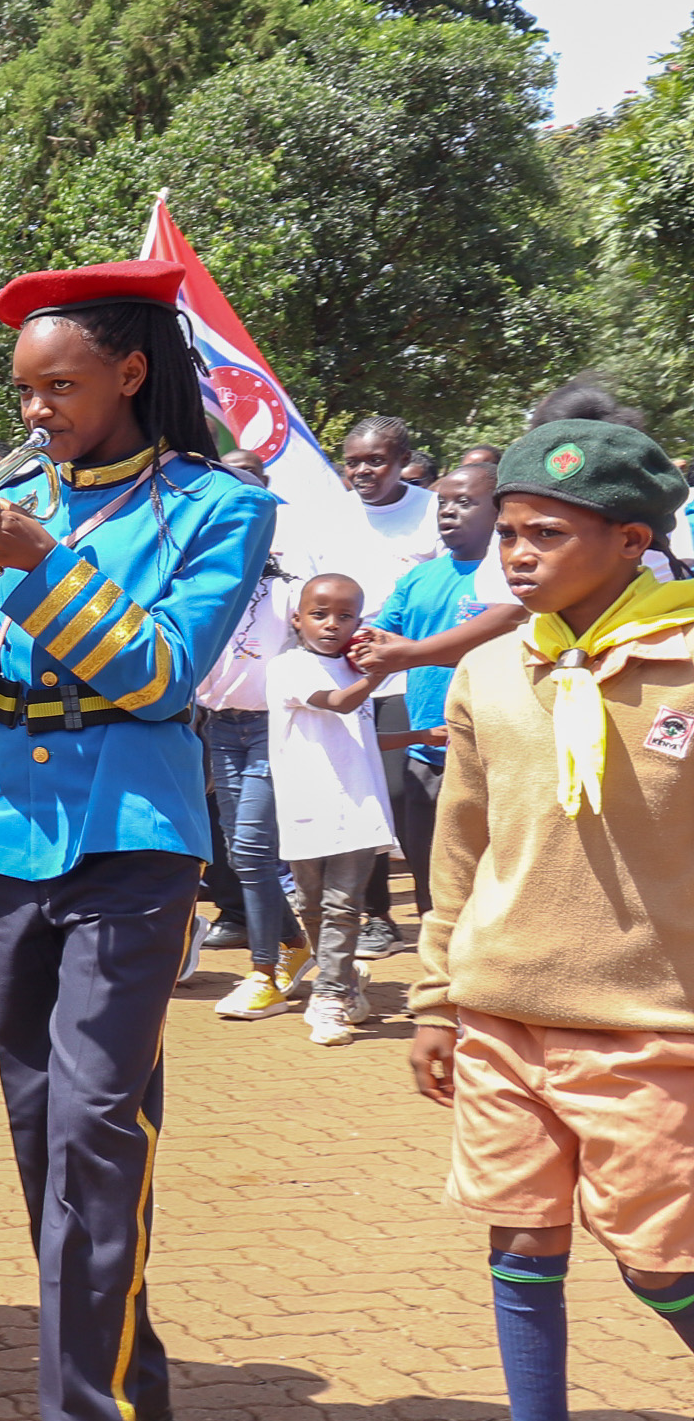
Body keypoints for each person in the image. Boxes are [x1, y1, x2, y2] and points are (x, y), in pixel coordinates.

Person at [0, 259, 276, 1421]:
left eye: (59, 388)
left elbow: (158, 669)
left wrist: (39, 564)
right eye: (24, 393)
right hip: (8, 835)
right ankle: (130, 1369)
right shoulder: (12, 496)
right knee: (39, 1132)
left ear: (131, 374)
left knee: (92, 1130)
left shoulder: (219, 508)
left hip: (135, 837)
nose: (36, 416)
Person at [408, 421, 694, 1421]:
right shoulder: (488, 671)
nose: (516, 556)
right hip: (501, 1019)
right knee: (521, 1246)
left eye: (547, 535)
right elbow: (459, 845)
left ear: (632, 540)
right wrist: (435, 993)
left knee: (664, 1267)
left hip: (654, 1028)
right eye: (510, 534)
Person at [285, 415, 436, 961]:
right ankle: (374, 917)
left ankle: (422, 915)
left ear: (403, 462)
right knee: (355, 791)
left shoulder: (431, 512)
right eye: (354, 461)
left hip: (409, 671)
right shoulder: (327, 514)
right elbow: (302, 590)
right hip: (338, 674)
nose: (364, 471)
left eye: (377, 460)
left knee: (395, 793)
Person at [348, 462, 524, 918]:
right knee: (434, 881)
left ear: (499, 510)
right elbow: (378, 637)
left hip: (496, 752)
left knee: (496, 878)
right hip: (428, 751)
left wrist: (411, 651)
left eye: (465, 503)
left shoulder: (516, 572)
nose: (448, 512)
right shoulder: (419, 578)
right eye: (443, 502)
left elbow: (500, 633)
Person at [268, 573, 399, 1046]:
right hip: (306, 805)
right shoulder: (289, 667)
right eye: (320, 614)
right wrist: (382, 669)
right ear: (297, 618)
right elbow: (341, 705)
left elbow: (359, 735)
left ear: (359, 621)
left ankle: (328, 997)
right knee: (311, 904)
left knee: (344, 907)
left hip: (360, 807)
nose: (331, 625)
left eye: (345, 617)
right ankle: (340, 981)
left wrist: (419, 737)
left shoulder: (355, 668)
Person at [194, 543, 314, 1019]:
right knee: (240, 848)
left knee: (249, 848)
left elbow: (330, 639)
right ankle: (292, 942)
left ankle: (264, 973)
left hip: (273, 729)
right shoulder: (203, 588)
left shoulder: (288, 592)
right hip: (221, 729)